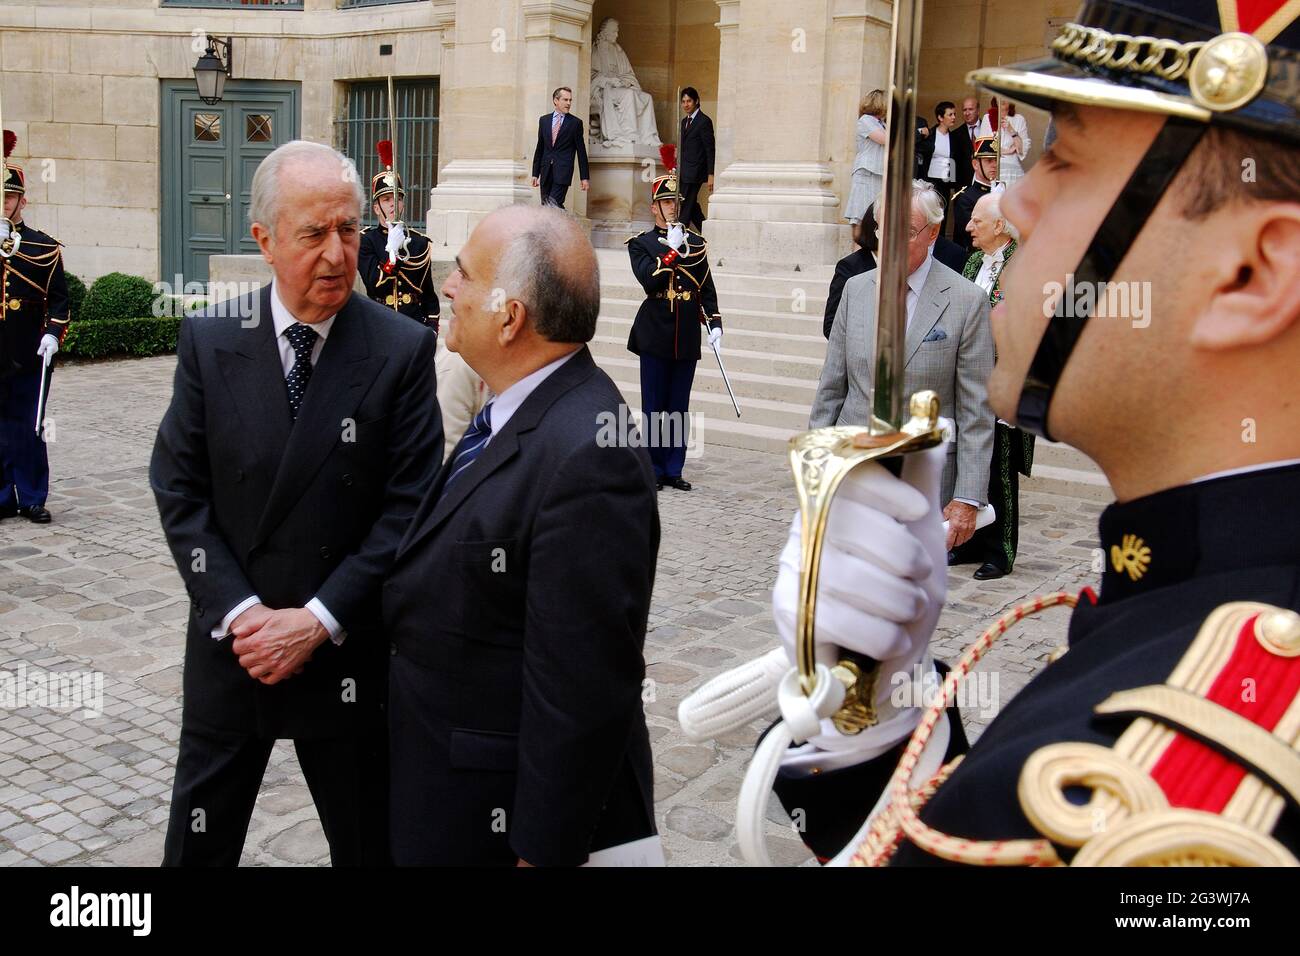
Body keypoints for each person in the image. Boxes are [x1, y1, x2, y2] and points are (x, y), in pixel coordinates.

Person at [754, 0, 1300, 866]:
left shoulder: (1170, 797)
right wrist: (878, 707)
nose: (1014, 199)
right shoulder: (1191, 596)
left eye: (1066, 159)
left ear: (1250, 272)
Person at [150, 140, 444, 867]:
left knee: (371, 848)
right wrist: (243, 614)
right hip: (237, 653)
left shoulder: (401, 350)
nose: (338, 254)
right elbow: (178, 488)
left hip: (344, 656)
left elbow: (408, 509)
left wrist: (316, 621)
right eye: (313, 234)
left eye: (348, 229)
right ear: (265, 241)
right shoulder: (212, 341)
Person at [384, 205, 659, 866]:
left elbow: (581, 688)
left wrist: (540, 849)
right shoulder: (515, 408)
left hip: (494, 820)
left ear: (510, 318)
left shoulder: (587, 455)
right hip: (444, 791)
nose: (447, 287)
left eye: (466, 275)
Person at [811, 179, 994, 548]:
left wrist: (967, 498)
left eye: (906, 232)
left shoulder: (966, 301)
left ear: (933, 233)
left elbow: (977, 408)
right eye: (884, 230)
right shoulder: (856, 289)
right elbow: (832, 386)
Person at [951, 190, 1033, 580]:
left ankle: (1001, 550)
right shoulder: (971, 263)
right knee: (969, 462)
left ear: (1000, 226)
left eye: (977, 222)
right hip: (968, 383)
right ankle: (968, 542)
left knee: (1000, 468)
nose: (968, 226)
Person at [625, 166, 723, 491]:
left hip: (685, 333)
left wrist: (715, 323)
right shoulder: (641, 244)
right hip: (654, 331)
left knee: (678, 406)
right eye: (664, 202)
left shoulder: (696, 242)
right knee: (654, 405)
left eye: (674, 202)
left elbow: (705, 285)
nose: (670, 207)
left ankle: (673, 468)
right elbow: (647, 280)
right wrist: (671, 252)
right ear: (653, 206)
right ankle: (652, 468)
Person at [0, 130, 69, 525]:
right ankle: (1, 496)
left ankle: (30, 495)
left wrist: (51, 334)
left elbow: (59, 299)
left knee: (30, 425)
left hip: (27, 351)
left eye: (8, 197)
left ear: (22, 200)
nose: (3, 204)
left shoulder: (43, 247)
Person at [357, 139, 439, 332]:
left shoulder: (420, 243)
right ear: (377, 208)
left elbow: (428, 295)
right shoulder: (366, 241)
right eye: (386, 200)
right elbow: (374, 283)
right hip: (380, 326)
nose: (393, 204)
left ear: (403, 205)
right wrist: (392, 252)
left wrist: (432, 330)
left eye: (397, 199)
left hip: (413, 327)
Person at [589, 17, 661, 148]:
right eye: (614, 32)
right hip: (604, 90)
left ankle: (648, 137)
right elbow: (592, 76)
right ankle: (630, 134)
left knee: (647, 98)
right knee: (628, 95)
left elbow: (628, 73)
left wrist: (625, 82)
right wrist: (609, 81)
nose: (617, 35)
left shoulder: (618, 51)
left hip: (620, 87)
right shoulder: (597, 50)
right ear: (605, 32)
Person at [530, 87, 590, 209]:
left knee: (552, 204)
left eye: (570, 100)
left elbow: (581, 152)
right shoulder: (544, 120)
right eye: (565, 100)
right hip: (546, 170)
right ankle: (563, 226)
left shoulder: (575, 123)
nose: (569, 103)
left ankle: (567, 226)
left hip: (563, 172)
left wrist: (584, 177)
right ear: (556, 100)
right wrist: (535, 173)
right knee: (547, 205)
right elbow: (540, 147)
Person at [843, 90, 886, 229]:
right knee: (861, 218)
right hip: (867, 173)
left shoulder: (882, 123)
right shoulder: (865, 120)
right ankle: (859, 251)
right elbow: (883, 139)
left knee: (875, 220)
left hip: (879, 174)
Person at [950, 135, 999, 252]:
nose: (994, 165)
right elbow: (974, 238)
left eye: (997, 160)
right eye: (989, 161)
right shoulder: (965, 199)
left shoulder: (1002, 192)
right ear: (975, 164)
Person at [677, 87, 716, 232]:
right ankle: (708, 234)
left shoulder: (704, 121)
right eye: (683, 101)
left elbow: (710, 149)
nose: (686, 104)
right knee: (691, 206)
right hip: (683, 172)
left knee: (685, 207)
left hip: (696, 173)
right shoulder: (683, 122)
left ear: (696, 101)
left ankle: (678, 239)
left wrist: (711, 174)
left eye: (689, 101)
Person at [921, 101, 960, 231]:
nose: (954, 117)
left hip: (945, 182)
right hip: (930, 181)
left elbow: (954, 161)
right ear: (940, 117)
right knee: (928, 214)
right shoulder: (930, 135)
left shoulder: (954, 138)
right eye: (950, 114)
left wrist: (953, 183)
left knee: (942, 216)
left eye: (954, 114)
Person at [976, 96, 1031, 188]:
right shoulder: (988, 117)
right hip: (992, 166)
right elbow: (983, 148)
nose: (1003, 98)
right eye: (999, 95)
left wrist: (1011, 129)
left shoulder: (1019, 119)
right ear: (995, 98)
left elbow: (1021, 150)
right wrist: (1008, 151)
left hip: (1011, 170)